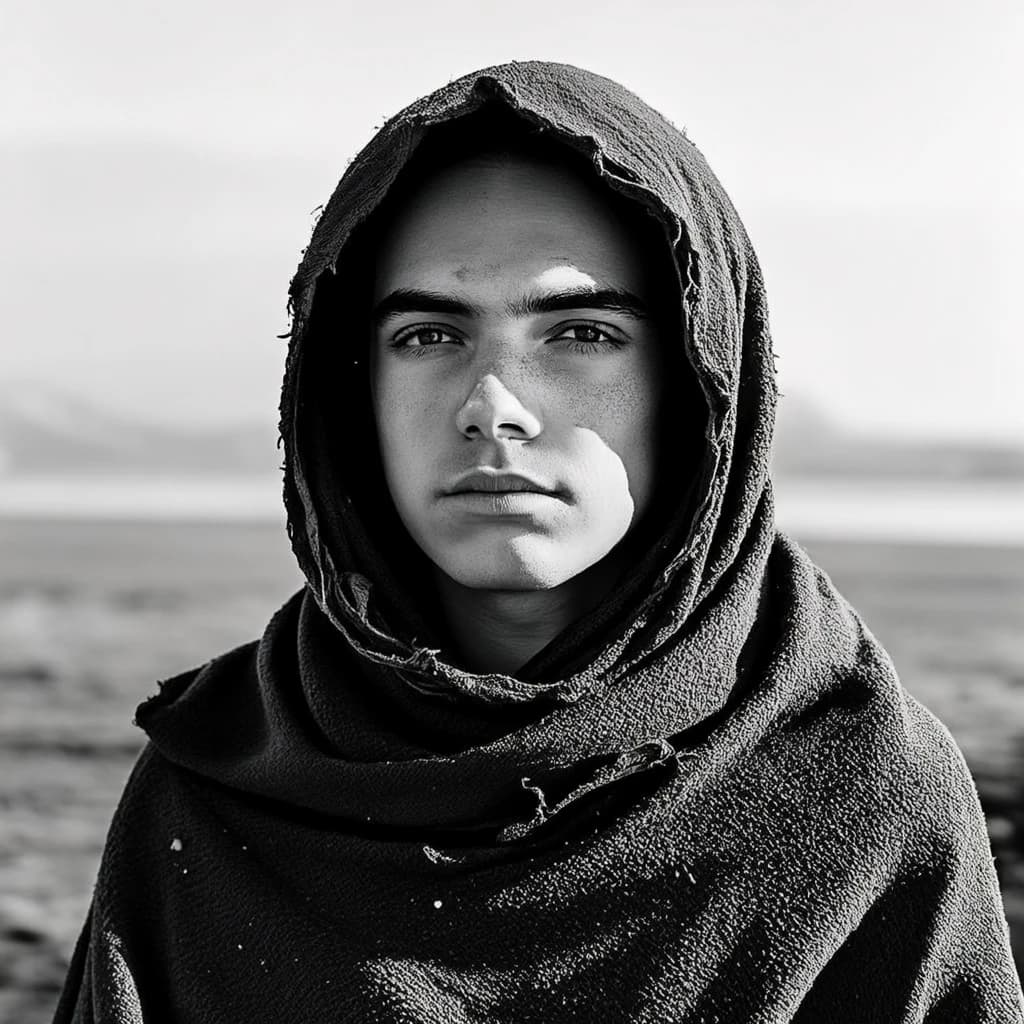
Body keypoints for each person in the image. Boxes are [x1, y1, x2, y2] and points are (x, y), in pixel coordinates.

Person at [54, 61, 1023, 1023]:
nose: (493, 409)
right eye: (429, 336)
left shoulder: (859, 793)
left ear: (695, 382)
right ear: (349, 395)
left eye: (580, 333)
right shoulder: (223, 784)